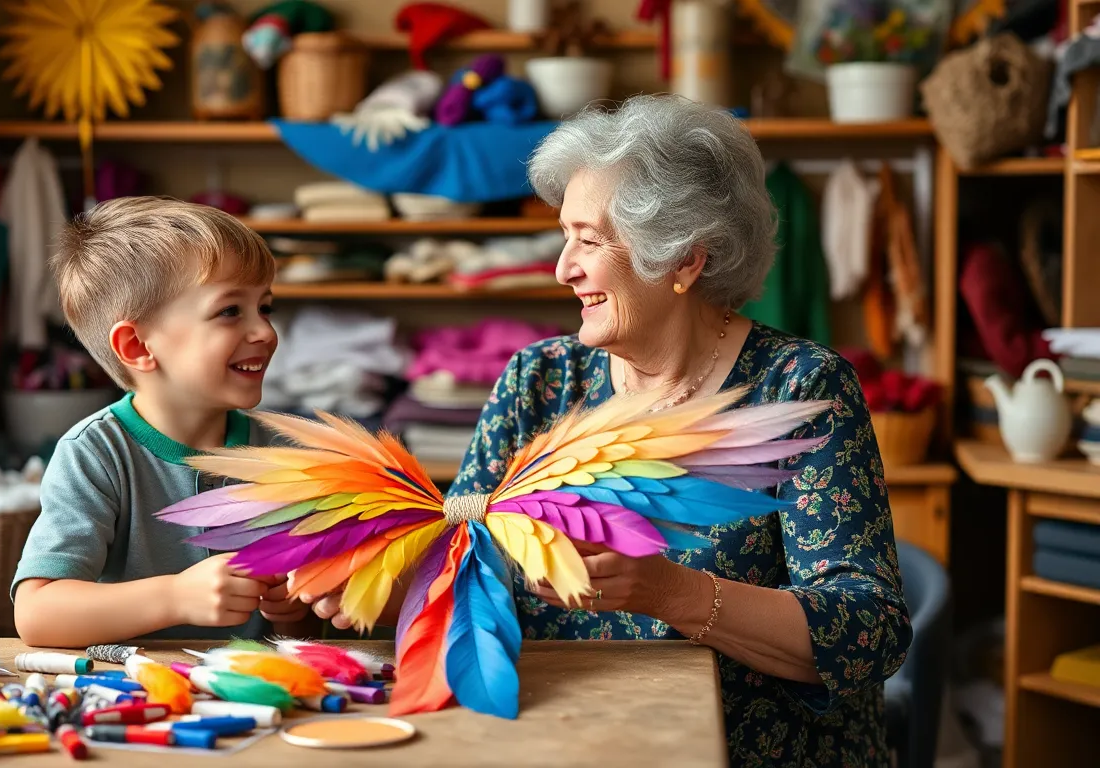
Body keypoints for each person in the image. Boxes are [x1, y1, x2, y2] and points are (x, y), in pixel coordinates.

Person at [305, 96, 911, 767]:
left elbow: (869, 633)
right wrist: (372, 583)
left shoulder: (800, 390)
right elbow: (461, 575)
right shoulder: (540, 382)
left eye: (589, 240)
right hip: (556, 737)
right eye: (565, 236)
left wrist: (667, 592)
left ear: (683, 260)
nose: (563, 267)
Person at [12, 197, 314, 647]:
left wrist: (296, 608)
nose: (266, 333)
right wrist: (175, 597)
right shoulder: (94, 454)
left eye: (264, 308)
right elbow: (37, 613)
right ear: (137, 346)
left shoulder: (285, 454)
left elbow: (306, 632)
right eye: (230, 311)